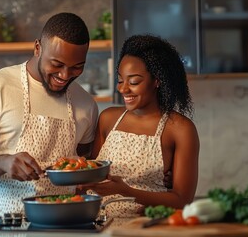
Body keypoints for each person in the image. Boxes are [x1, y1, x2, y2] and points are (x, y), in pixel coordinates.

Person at [0, 12, 99, 216]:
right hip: (9, 224)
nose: (65, 75)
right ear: (37, 48)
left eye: (77, 67)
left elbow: (85, 163)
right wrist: (4, 162)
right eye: (57, 64)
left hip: (68, 224)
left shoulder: (86, 103)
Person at [81, 34, 199, 217]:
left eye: (134, 81)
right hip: (98, 225)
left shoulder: (179, 129)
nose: (123, 89)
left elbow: (182, 200)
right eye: (120, 80)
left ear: (157, 80)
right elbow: (91, 174)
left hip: (144, 229)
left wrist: (127, 191)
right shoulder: (108, 119)